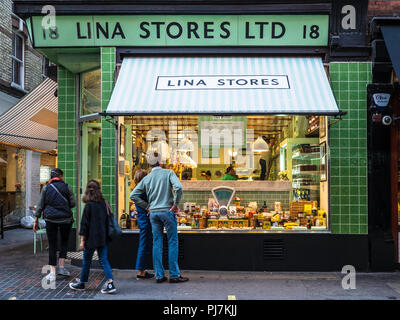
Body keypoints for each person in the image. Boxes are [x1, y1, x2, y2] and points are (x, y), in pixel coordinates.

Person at [130, 152, 188, 283]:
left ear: (149, 164)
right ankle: (174, 275)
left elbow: (133, 195)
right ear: (160, 162)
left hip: (153, 214)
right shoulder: (168, 173)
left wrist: (147, 207)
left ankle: (159, 275)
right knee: (172, 241)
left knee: (157, 243)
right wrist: (175, 204)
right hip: (167, 211)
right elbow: (178, 187)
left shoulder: (147, 178)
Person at [69, 180, 116, 294]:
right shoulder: (104, 203)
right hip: (103, 237)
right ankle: (110, 283)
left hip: (91, 238)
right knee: (104, 260)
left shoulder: (89, 205)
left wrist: (82, 240)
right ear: (99, 190)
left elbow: (84, 224)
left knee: (86, 261)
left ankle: (82, 283)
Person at [34, 168, 75, 282]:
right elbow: (72, 203)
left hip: (50, 220)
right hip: (65, 220)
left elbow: (40, 205)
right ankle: (61, 267)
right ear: (61, 177)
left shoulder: (46, 188)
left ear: (51, 177)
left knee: (52, 244)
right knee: (64, 242)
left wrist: (36, 220)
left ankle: (52, 272)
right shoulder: (67, 187)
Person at [133, 169, 154, 280]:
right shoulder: (141, 192)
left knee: (145, 245)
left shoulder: (140, 190)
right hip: (145, 221)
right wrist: (148, 206)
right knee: (143, 245)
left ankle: (143, 271)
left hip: (143, 221)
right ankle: (140, 272)